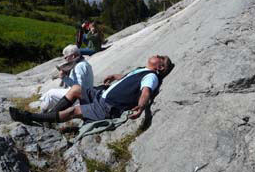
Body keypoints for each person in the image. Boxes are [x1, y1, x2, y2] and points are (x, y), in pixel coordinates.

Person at [10, 55, 173, 124]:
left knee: (74, 111)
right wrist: (115, 76)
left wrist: (142, 107)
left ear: (159, 66)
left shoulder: (152, 76)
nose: (155, 54)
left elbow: (145, 92)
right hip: (101, 94)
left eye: (159, 56)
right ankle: (48, 117)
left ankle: (32, 117)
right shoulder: (142, 70)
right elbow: (129, 78)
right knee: (76, 89)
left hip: (108, 106)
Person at [39, 44, 94, 113]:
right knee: (51, 94)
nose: (65, 60)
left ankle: (44, 116)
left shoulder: (79, 66)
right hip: (86, 94)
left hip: (80, 97)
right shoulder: (83, 63)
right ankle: (49, 114)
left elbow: (79, 87)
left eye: (66, 57)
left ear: (73, 56)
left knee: (50, 94)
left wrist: (64, 78)